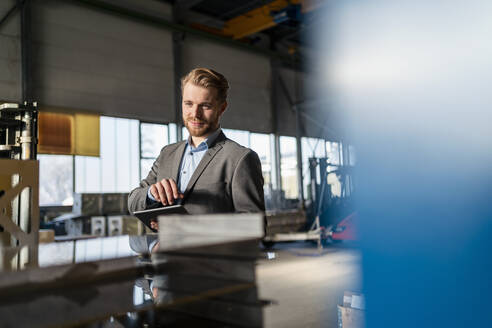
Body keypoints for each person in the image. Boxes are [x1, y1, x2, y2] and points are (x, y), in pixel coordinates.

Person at [128, 68, 265, 230]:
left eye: (205, 106)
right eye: (188, 104)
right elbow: (133, 202)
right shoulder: (167, 153)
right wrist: (151, 193)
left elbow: (255, 226)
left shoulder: (240, 158)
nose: (195, 114)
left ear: (222, 108)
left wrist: (190, 229)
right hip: (164, 254)